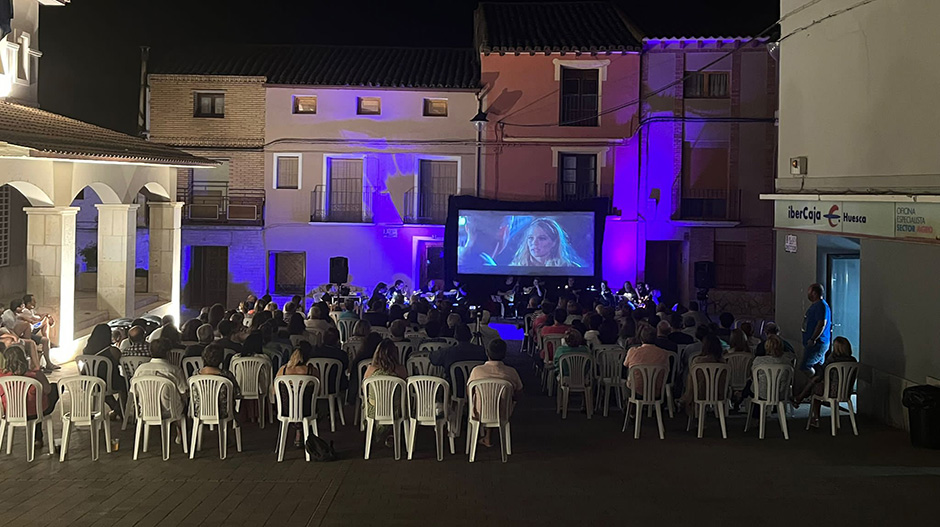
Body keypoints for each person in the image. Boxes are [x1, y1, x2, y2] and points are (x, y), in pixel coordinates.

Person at [0, 345, 59, 448]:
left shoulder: (2, 377)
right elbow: (47, 390)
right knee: (52, 389)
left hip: (10, 412)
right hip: (34, 412)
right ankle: (38, 438)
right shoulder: (35, 375)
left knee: (35, 401)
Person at [467, 339, 523, 448]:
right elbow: (519, 394)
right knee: (499, 402)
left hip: (479, 413)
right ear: (505, 354)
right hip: (503, 413)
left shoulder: (476, 371)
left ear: (487, 352)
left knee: (485, 401)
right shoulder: (511, 372)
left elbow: (469, 392)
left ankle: (486, 437)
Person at [792, 336, 856, 427]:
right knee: (816, 381)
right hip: (845, 391)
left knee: (816, 387)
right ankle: (800, 398)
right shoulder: (853, 361)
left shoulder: (832, 361)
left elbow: (822, 374)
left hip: (831, 391)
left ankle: (815, 417)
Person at [133, 338, 188, 439]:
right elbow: (183, 392)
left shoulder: (140, 369)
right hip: (170, 410)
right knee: (184, 404)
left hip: (146, 409)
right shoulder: (174, 370)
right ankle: (180, 431)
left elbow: (134, 392)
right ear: (168, 353)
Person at [275, 344, 320, 447]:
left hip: (286, 410)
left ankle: (298, 431)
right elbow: (318, 392)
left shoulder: (283, 370)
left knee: (295, 405)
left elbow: (274, 391)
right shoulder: (312, 371)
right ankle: (306, 434)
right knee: (319, 410)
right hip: (306, 409)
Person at [82, 323, 126, 415]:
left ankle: (116, 409)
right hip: (109, 382)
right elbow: (121, 362)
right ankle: (119, 409)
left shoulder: (86, 351)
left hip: (90, 383)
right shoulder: (112, 351)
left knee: (102, 386)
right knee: (126, 383)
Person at [192, 343, 241, 421]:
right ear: (221, 359)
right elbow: (237, 393)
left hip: (200, 411)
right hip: (223, 412)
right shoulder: (227, 375)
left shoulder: (195, 374)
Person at [509, 217, 584, 268]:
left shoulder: (570, 267)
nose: (534, 243)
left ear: (554, 242)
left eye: (541, 238)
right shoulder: (515, 267)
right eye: (531, 238)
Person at [680, 334, 727, 412]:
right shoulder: (723, 363)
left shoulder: (697, 361)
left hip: (699, 394)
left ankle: (686, 398)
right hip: (718, 393)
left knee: (691, 377)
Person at [623, 325, 670, 394]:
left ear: (641, 338)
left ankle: (628, 403)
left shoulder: (632, 351)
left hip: (635, 390)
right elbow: (667, 369)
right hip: (656, 390)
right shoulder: (664, 353)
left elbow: (625, 364)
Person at [750, 335, 793, 403]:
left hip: (761, 393)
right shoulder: (787, 361)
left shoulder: (758, 361)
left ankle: (756, 411)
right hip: (781, 394)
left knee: (750, 384)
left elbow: (753, 376)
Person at [801, 283, 832, 375]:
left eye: (809, 291)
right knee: (817, 367)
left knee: (806, 366)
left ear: (814, 293)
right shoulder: (816, 306)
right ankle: (816, 386)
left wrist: (813, 338)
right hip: (814, 343)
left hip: (817, 344)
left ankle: (813, 383)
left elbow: (821, 323)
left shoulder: (820, 306)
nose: (808, 294)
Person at [310, 327, 349, 392]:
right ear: (337, 340)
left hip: (317, 385)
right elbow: (346, 368)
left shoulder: (313, 353)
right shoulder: (341, 355)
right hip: (336, 386)